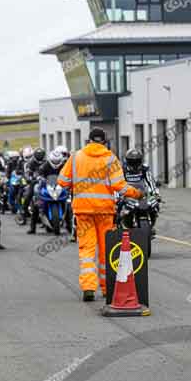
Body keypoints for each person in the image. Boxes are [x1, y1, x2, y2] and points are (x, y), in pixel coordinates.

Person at [59, 128, 142, 302]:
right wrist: (137, 193)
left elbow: (62, 181)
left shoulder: (76, 157)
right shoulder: (110, 159)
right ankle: (107, 288)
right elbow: (120, 186)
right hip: (104, 211)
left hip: (83, 211)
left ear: (88, 140)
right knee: (107, 250)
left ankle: (88, 287)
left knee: (87, 250)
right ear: (104, 142)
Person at [28, 147, 71, 235]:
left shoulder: (63, 165)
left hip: (59, 186)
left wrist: (69, 179)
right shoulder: (45, 165)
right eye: (54, 161)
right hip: (46, 186)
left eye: (57, 160)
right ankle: (32, 228)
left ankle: (70, 226)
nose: (56, 162)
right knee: (36, 203)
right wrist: (38, 177)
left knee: (68, 204)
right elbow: (39, 173)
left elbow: (68, 174)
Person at [122, 148, 161, 235]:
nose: (135, 164)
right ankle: (120, 225)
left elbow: (150, 181)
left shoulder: (144, 168)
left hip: (142, 193)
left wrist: (156, 194)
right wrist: (118, 196)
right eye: (132, 161)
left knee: (155, 204)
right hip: (127, 194)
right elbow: (118, 184)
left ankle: (151, 224)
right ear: (127, 161)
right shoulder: (122, 169)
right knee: (117, 209)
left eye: (137, 161)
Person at [21, 147, 47, 226]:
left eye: (41, 156)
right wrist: (29, 178)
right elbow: (27, 172)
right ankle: (24, 215)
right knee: (28, 196)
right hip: (35, 182)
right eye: (38, 156)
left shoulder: (47, 162)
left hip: (46, 182)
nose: (40, 157)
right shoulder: (31, 163)